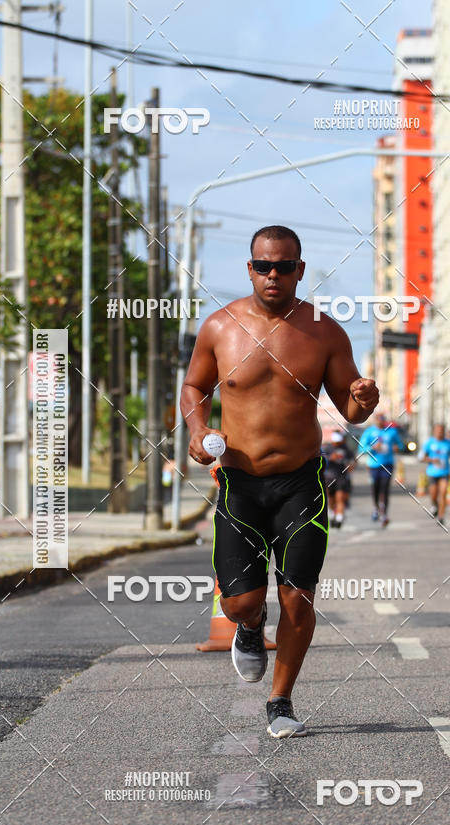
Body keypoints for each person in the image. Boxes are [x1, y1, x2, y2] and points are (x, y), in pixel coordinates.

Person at [181, 225, 379, 739]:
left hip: (301, 484)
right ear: (250, 268)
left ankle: (281, 700)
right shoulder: (219, 327)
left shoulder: (324, 332)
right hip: (240, 484)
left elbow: (351, 409)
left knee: (298, 597)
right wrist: (197, 429)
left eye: (285, 266)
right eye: (264, 266)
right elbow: (195, 385)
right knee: (239, 602)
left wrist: (365, 399)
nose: (274, 275)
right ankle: (250, 626)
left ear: (300, 270)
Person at [357, 412, 404, 527]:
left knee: (385, 488)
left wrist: (397, 447)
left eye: (382, 419)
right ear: (375, 420)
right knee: (375, 488)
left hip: (387, 464)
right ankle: (376, 508)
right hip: (373, 465)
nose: (380, 421)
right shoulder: (369, 432)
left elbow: (401, 445)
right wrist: (372, 448)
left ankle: (384, 514)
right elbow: (361, 448)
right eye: (378, 419)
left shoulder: (392, 432)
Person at [419, 423, 450, 525]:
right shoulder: (429, 443)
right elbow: (421, 457)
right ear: (434, 431)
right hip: (432, 473)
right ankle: (435, 505)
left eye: (441, 431)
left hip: (445, 472)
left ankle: (441, 516)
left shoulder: (449, 443)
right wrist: (431, 459)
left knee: (443, 493)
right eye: (438, 431)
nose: (440, 433)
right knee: (434, 495)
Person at [322, 430, 356, 528]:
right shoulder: (327, 448)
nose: (337, 443)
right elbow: (321, 461)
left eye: (339, 441)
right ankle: (333, 514)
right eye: (335, 441)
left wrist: (351, 465)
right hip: (329, 477)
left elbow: (353, 461)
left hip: (342, 477)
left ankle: (339, 518)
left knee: (340, 497)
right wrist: (330, 458)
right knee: (331, 499)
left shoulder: (346, 449)